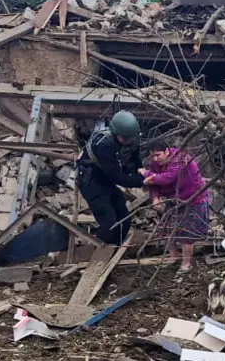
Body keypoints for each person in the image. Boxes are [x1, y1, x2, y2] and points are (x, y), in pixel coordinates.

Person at [76, 110, 147, 246]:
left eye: (130, 138)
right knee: (109, 222)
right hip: (91, 181)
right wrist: (140, 181)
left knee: (124, 219)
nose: (127, 141)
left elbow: (134, 158)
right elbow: (116, 176)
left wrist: (141, 171)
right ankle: (99, 252)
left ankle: (115, 247)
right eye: (124, 138)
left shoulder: (132, 138)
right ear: (116, 133)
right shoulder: (104, 144)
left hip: (105, 179)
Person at [143, 139, 211, 274]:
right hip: (174, 199)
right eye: (153, 156)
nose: (155, 159)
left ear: (167, 151)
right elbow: (155, 184)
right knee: (166, 228)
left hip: (193, 198)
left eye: (158, 155)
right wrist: (155, 198)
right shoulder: (155, 164)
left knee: (187, 233)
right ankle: (172, 257)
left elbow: (167, 178)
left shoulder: (181, 159)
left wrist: (146, 174)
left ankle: (186, 264)